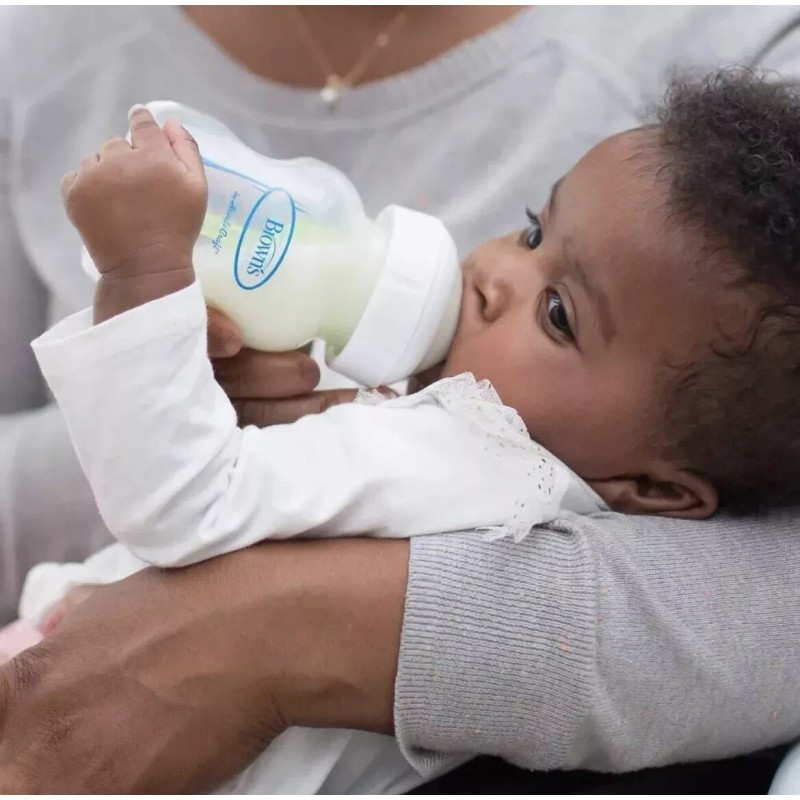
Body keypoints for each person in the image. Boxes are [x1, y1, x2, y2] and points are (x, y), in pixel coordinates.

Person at [3, 5, 800, 793]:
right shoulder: (503, 474)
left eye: (558, 313)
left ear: (657, 491)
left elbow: (183, 502)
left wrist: (144, 278)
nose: (495, 274)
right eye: (533, 232)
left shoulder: (468, 461)